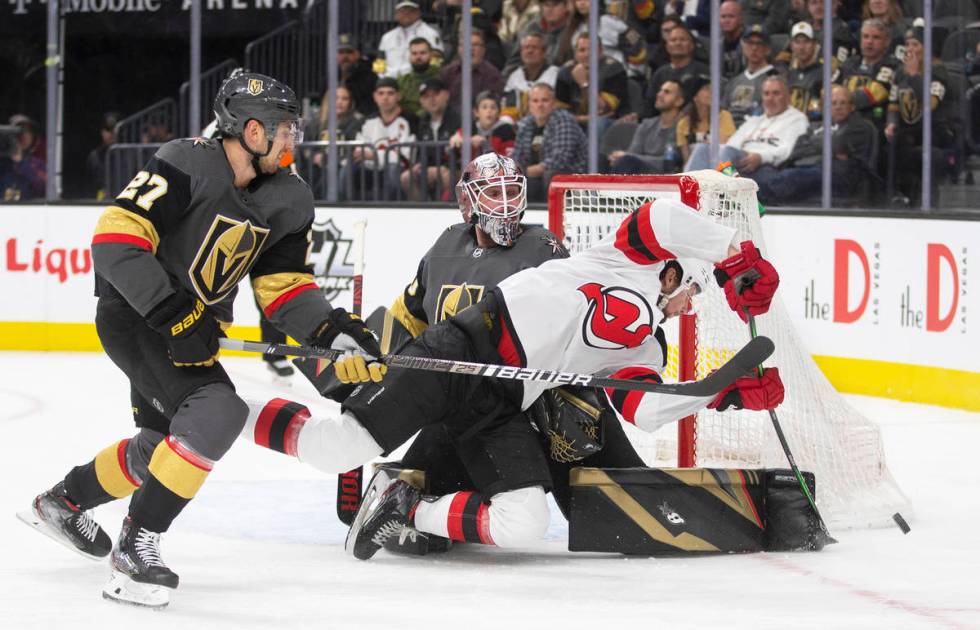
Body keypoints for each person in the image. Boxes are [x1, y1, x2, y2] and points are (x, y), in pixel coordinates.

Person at [239, 158, 784, 561]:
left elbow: (643, 409)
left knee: (523, 522)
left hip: (499, 400)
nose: (693, 303)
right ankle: (220, 406)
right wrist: (736, 256)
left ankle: (405, 504)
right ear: (677, 271)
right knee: (336, 448)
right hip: (455, 356)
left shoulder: (644, 345)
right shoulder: (622, 257)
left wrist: (722, 392)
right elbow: (663, 214)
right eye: (696, 289)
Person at [18, 72, 385, 609]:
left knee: (160, 446)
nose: (292, 140)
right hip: (136, 315)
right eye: (284, 129)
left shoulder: (291, 197)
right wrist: (175, 315)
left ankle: (63, 502)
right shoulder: (187, 161)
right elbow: (114, 243)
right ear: (251, 130)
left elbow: (283, 288)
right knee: (217, 412)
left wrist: (331, 330)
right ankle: (134, 549)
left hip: (189, 330)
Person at [754, 85, 877, 205]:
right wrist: (824, 147)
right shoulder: (816, 126)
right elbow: (797, 149)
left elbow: (836, 144)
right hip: (805, 169)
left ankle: (750, 198)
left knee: (788, 178)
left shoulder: (860, 127)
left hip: (836, 177)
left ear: (852, 107)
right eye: (833, 103)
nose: (838, 107)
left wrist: (815, 144)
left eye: (843, 103)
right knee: (765, 171)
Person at [688, 75, 809, 180]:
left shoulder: (797, 119)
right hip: (739, 162)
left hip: (765, 165)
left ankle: (728, 195)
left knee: (728, 153)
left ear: (788, 96)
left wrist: (761, 157)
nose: (770, 98)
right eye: (766, 94)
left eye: (776, 93)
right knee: (702, 149)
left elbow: (788, 150)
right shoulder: (754, 121)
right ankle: (685, 197)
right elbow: (732, 145)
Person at [884, 25, 954, 206]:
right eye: (907, 45)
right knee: (886, 141)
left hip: (934, 131)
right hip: (908, 131)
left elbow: (930, 105)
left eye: (915, 44)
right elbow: (893, 104)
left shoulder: (938, 72)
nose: (910, 49)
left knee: (907, 148)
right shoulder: (900, 73)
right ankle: (893, 195)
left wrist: (915, 76)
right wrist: (891, 123)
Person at [344, 77, 418, 201]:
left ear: (398, 96)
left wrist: (375, 155)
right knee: (346, 171)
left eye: (390, 93)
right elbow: (359, 150)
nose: (385, 97)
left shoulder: (411, 121)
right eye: (381, 93)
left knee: (393, 169)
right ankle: (345, 208)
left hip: (396, 169)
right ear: (375, 97)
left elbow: (405, 156)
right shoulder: (366, 122)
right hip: (369, 168)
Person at [511, 82, 587, 202]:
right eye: (535, 101)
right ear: (529, 105)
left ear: (554, 103)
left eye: (544, 100)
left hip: (570, 176)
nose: (540, 105)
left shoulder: (564, 120)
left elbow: (561, 158)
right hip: (535, 176)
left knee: (551, 176)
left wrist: (528, 171)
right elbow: (517, 155)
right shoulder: (525, 124)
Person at [555, 32, 632, 135]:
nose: (587, 54)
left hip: (611, 122)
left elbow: (603, 110)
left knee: (597, 124)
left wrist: (584, 84)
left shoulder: (613, 69)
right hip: (577, 121)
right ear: (575, 54)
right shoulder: (565, 71)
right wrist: (582, 119)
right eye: (582, 50)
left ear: (600, 51)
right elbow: (560, 112)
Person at [607, 79, 687, 174]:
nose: (659, 94)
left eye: (667, 92)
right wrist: (623, 157)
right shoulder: (646, 124)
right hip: (640, 173)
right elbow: (633, 153)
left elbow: (669, 162)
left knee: (626, 161)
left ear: (679, 101)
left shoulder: (682, 127)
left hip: (666, 176)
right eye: (660, 91)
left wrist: (626, 156)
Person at [400, 78, 461, 201]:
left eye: (435, 94)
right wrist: (419, 165)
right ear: (421, 101)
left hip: (456, 169)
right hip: (429, 168)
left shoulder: (459, 118)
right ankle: (421, 210)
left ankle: (449, 208)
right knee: (406, 177)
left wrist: (441, 168)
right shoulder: (422, 122)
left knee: (445, 175)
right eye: (426, 96)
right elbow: (420, 150)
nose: (431, 99)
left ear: (446, 95)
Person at [835, 18, 900, 133]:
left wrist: (839, 101)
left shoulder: (891, 66)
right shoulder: (849, 63)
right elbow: (828, 89)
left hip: (872, 127)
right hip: (841, 125)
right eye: (865, 37)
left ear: (887, 42)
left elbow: (872, 95)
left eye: (876, 37)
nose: (869, 42)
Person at [645, 24, 709, 119]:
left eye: (683, 40)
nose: (678, 43)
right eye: (673, 40)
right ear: (667, 46)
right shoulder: (660, 73)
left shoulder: (703, 71)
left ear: (692, 45)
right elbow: (650, 104)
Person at [722, 24, 779, 126]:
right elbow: (722, 112)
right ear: (742, 45)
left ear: (768, 48)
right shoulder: (734, 81)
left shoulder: (775, 80)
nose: (754, 48)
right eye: (750, 42)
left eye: (759, 43)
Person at [675, 75, 736, 167]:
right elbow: (687, 159)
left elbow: (724, 147)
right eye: (706, 89)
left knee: (704, 148)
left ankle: (732, 181)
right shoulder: (683, 124)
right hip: (697, 170)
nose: (712, 92)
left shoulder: (724, 116)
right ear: (695, 97)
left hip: (722, 168)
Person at [502, 31, 561, 121]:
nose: (530, 51)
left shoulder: (556, 74)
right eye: (526, 47)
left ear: (544, 52)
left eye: (534, 47)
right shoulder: (514, 77)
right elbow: (508, 108)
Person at [377, 1, 444, 79]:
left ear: (418, 13)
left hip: (417, 80)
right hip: (390, 83)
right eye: (402, 11)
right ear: (396, 15)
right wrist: (381, 77)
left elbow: (437, 60)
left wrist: (427, 77)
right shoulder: (387, 37)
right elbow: (379, 61)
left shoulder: (431, 34)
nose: (406, 14)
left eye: (410, 11)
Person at [780, 21, 830, 121]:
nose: (801, 47)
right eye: (797, 42)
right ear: (791, 45)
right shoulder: (788, 75)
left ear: (814, 44)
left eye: (806, 42)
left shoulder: (824, 73)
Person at [440, 30, 505, 104]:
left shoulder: (493, 76)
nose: (471, 49)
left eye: (476, 45)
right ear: (459, 49)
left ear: (483, 49)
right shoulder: (447, 73)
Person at [449, 91, 517, 157]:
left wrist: (485, 144)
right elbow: (456, 139)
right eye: (484, 107)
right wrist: (468, 140)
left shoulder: (506, 130)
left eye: (493, 107)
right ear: (476, 112)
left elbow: (507, 159)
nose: (489, 111)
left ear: (498, 113)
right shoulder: (471, 127)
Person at [1, 114, 46, 201]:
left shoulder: (37, 164)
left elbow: (44, 187)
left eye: (28, 131)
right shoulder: (3, 163)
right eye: (20, 131)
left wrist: (21, 163)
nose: (24, 135)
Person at [397, 37, 442, 117]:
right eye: (414, 53)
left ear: (430, 55)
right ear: (410, 56)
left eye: (422, 53)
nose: (418, 57)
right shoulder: (402, 80)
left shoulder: (440, 77)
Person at [337, 33, 379, 117]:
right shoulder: (329, 78)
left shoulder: (369, 77)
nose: (345, 56)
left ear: (357, 54)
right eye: (341, 52)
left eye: (349, 52)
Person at [86, 111, 120, 200]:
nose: (111, 133)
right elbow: (90, 184)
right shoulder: (94, 156)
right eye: (108, 130)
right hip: (100, 202)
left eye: (115, 130)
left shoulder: (128, 155)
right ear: (102, 132)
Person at [719, 0, 746, 79]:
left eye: (731, 16)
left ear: (741, 19)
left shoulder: (750, 43)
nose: (727, 21)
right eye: (723, 17)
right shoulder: (717, 46)